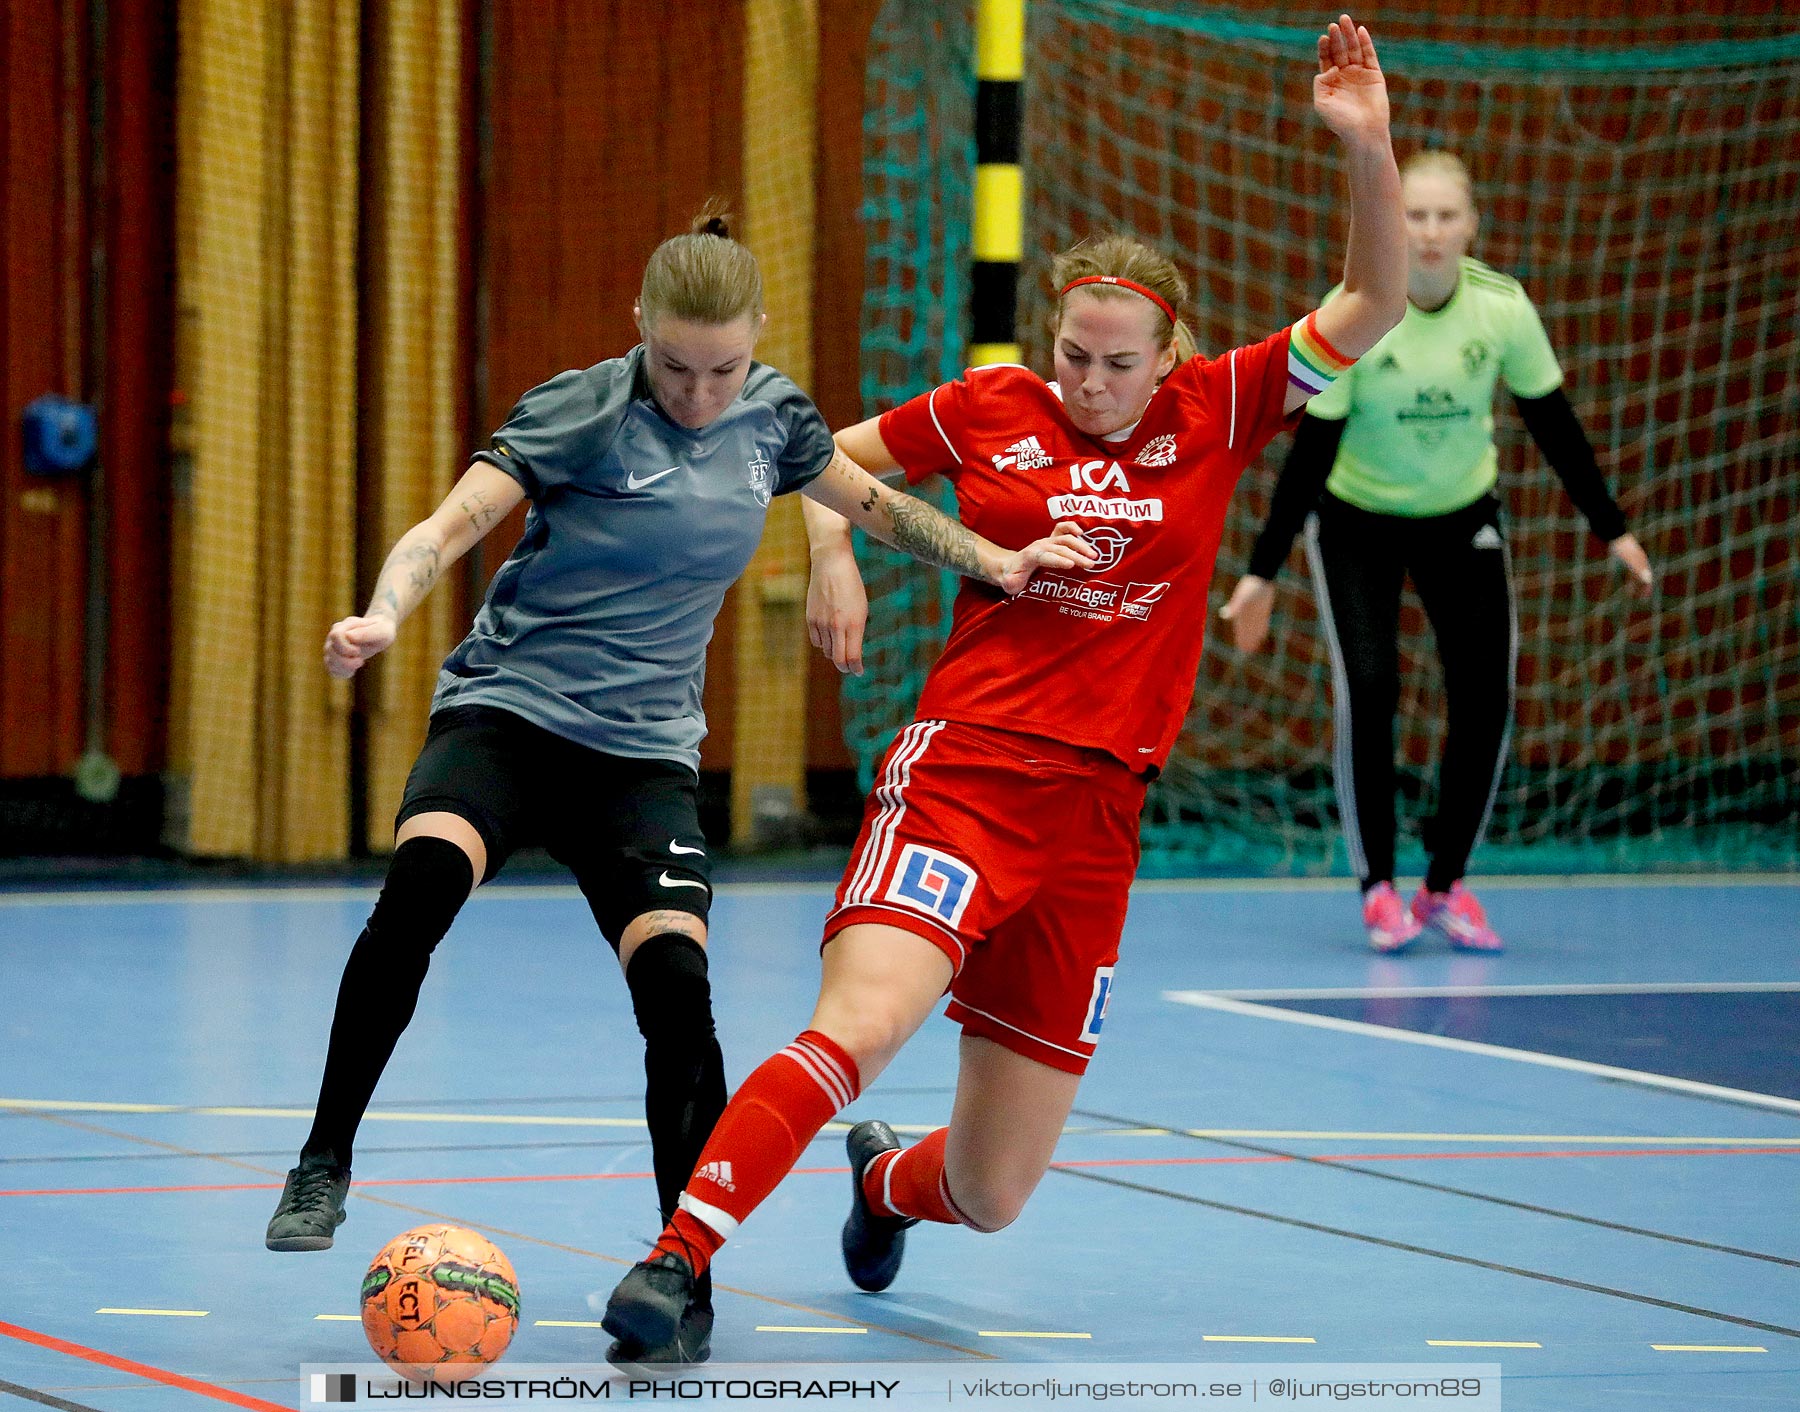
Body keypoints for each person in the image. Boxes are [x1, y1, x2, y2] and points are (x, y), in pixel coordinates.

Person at [598, 15, 1408, 1355]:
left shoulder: (1218, 410)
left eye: (1118, 363)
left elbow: (1372, 304)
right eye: (1073, 355)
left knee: (990, 1189)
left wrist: (1368, 145)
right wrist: (835, 552)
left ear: (1169, 353)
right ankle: (677, 1264)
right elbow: (818, 451)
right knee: (858, 1026)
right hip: (968, 770)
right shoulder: (991, 411)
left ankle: (883, 1181)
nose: (1091, 384)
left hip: (1097, 822)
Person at [260, 206, 1095, 1370]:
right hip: (510, 713)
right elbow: (448, 528)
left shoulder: (775, 419)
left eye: (724, 368)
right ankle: (323, 1160)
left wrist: (998, 563)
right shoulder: (583, 409)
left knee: (677, 989)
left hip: (645, 751)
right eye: (676, 367)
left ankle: (683, 1263)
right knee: (418, 890)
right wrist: (382, 614)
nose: (700, 393)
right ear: (640, 330)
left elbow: (880, 505)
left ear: (755, 342)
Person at [1219, 150, 1655, 955]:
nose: (1427, 232)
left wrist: (1612, 528)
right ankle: (1377, 886)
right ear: (1390, 223)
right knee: (1373, 686)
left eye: (1443, 216)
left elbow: (1553, 424)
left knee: (1486, 697)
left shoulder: (1501, 308)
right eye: (1412, 215)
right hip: (1356, 523)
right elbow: (1309, 452)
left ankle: (1446, 885)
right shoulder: (1357, 311)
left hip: (1462, 519)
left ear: (1471, 225)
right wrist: (1260, 574)